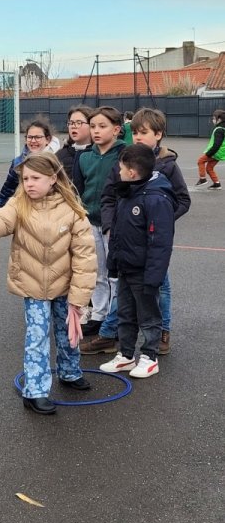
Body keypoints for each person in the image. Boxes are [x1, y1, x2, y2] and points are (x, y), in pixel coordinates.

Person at [0, 152, 97, 415]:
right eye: (25, 179)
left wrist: (79, 298)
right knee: (37, 338)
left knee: (68, 332)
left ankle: (69, 372)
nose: (29, 183)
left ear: (53, 179)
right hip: (33, 287)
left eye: (35, 178)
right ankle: (35, 391)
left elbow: (85, 257)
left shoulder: (73, 212)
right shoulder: (18, 205)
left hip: (65, 287)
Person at [82, 107, 191, 355]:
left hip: (151, 242)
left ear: (158, 134)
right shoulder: (125, 160)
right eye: (135, 133)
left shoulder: (167, 165)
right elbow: (109, 196)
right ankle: (111, 334)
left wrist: (159, 222)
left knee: (159, 285)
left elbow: (183, 200)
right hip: (125, 240)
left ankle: (161, 332)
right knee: (123, 286)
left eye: (144, 132)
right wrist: (111, 225)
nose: (138, 137)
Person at [99, 144, 176, 378]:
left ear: (132, 172)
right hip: (126, 266)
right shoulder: (127, 192)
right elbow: (118, 231)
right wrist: (114, 263)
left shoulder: (156, 199)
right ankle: (126, 355)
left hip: (144, 271)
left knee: (149, 316)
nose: (118, 172)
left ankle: (150, 357)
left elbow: (160, 243)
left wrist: (153, 277)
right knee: (125, 314)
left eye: (121, 168)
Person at [72, 106, 126, 337]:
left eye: (102, 126)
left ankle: (116, 318)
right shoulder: (84, 157)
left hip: (114, 225)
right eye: (93, 126)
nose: (96, 131)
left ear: (116, 129)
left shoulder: (124, 155)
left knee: (115, 273)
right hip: (90, 222)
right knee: (96, 272)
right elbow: (77, 190)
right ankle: (99, 314)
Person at [0, 118, 56, 208]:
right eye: (30, 137)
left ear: (47, 139)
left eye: (37, 137)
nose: (33, 141)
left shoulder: (57, 161)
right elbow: (7, 191)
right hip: (25, 209)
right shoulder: (18, 163)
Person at [56, 105, 93, 180]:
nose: (73, 126)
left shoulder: (99, 155)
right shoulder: (59, 155)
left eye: (79, 123)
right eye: (71, 123)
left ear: (91, 125)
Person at [195, 109, 225, 190]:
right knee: (209, 168)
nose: (212, 120)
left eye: (214, 118)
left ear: (219, 119)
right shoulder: (223, 129)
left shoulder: (219, 130)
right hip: (220, 153)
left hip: (215, 152)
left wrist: (209, 153)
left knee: (200, 161)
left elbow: (217, 144)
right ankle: (217, 184)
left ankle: (202, 179)